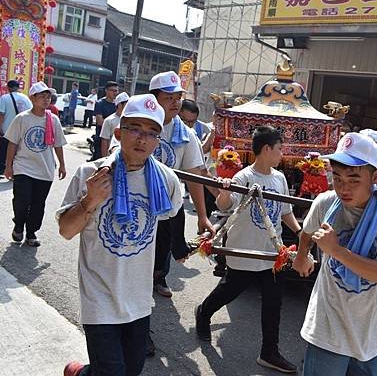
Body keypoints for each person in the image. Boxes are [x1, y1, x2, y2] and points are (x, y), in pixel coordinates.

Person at [58, 94, 183, 376]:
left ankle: (81, 373)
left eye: (152, 133)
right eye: (135, 129)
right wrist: (89, 201)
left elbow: (171, 219)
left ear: (158, 141)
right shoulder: (91, 174)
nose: (143, 139)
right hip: (99, 296)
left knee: (132, 370)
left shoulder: (166, 181)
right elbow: (66, 230)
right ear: (118, 132)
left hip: (138, 300)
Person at [292, 132, 377, 376]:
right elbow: (307, 232)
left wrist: (335, 250)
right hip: (326, 330)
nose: (343, 188)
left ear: (376, 176)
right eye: (337, 178)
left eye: (354, 179)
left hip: (369, 334)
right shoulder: (325, 203)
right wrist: (301, 255)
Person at [195, 126, 301, 374]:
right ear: (266, 149)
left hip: (271, 253)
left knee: (274, 303)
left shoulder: (279, 178)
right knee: (228, 291)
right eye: (279, 148)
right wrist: (223, 190)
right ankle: (204, 312)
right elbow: (225, 205)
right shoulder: (243, 177)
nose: (281, 153)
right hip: (244, 250)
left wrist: (299, 232)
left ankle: (269, 352)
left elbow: (285, 212)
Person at [149, 71, 213, 298]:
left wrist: (203, 216)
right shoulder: (140, 122)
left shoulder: (185, 134)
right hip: (137, 200)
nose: (175, 103)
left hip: (168, 202)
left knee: (163, 246)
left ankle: (158, 278)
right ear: (154, 98)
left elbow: (195, 175)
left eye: (178, 98)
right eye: (169, 98)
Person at [4, 81, 66, 246]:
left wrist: (62, 164)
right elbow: (12, 144)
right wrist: (8, 166)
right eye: (42, 96)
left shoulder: (53, 120)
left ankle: (31, 233)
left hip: (44, 169)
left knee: (38, 204)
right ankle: (18, 225)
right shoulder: (22, 119)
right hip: (23, 167)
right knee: (22, 199)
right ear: (32, 98)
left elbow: (58, 144)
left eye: (48, 97)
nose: (46, 100)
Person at [0, 79, 33, 177]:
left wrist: (0, 127)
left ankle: (3, 169)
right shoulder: (26, 98)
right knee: (18, 152)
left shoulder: (4, 98)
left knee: (4, 151)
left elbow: (1, 115)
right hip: (22, 130)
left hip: (7, 130)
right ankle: (17, 170)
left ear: (9, 88)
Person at [91, 81, 118, 160]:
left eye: (116, 91)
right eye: (113, 90)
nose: (115, 93)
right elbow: (100, 122)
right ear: (106, 90)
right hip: (101, 138)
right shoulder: (100, 103)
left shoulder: (117, 104)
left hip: (114, 140)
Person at [100, 92, 129, 157]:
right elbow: (104, 140)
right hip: (112, 157)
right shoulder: (109, 120)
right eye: (126, 104)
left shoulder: (130, 120)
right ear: (119, 105)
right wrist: (104, 159)